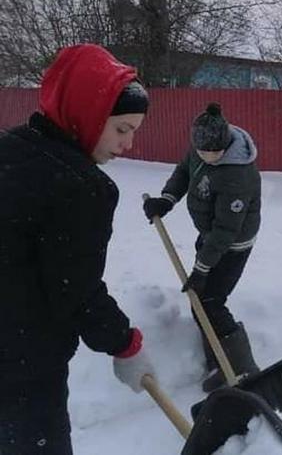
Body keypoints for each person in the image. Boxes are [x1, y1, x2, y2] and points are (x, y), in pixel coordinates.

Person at [0, 44, 156, 455]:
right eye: (121, 129)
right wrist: (126, 344)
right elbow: (76, 290)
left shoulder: (11, 148)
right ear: (88, 111)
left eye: (134, 131)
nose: (128, 144)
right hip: (24, 366)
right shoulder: (82, 188)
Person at [143, 102, 261, 392]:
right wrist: (167, 199)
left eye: (214, 153)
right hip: (210, 235)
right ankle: (219, 362)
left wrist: (202, 269)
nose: (207, 158)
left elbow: (225, 230)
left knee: (210, 302)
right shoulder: (201, 149)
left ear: (224, 144)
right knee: (201, 301)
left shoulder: (237, 175)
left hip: (231, 244)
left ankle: (243, 370)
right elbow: (185, 171)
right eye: (202, 152)